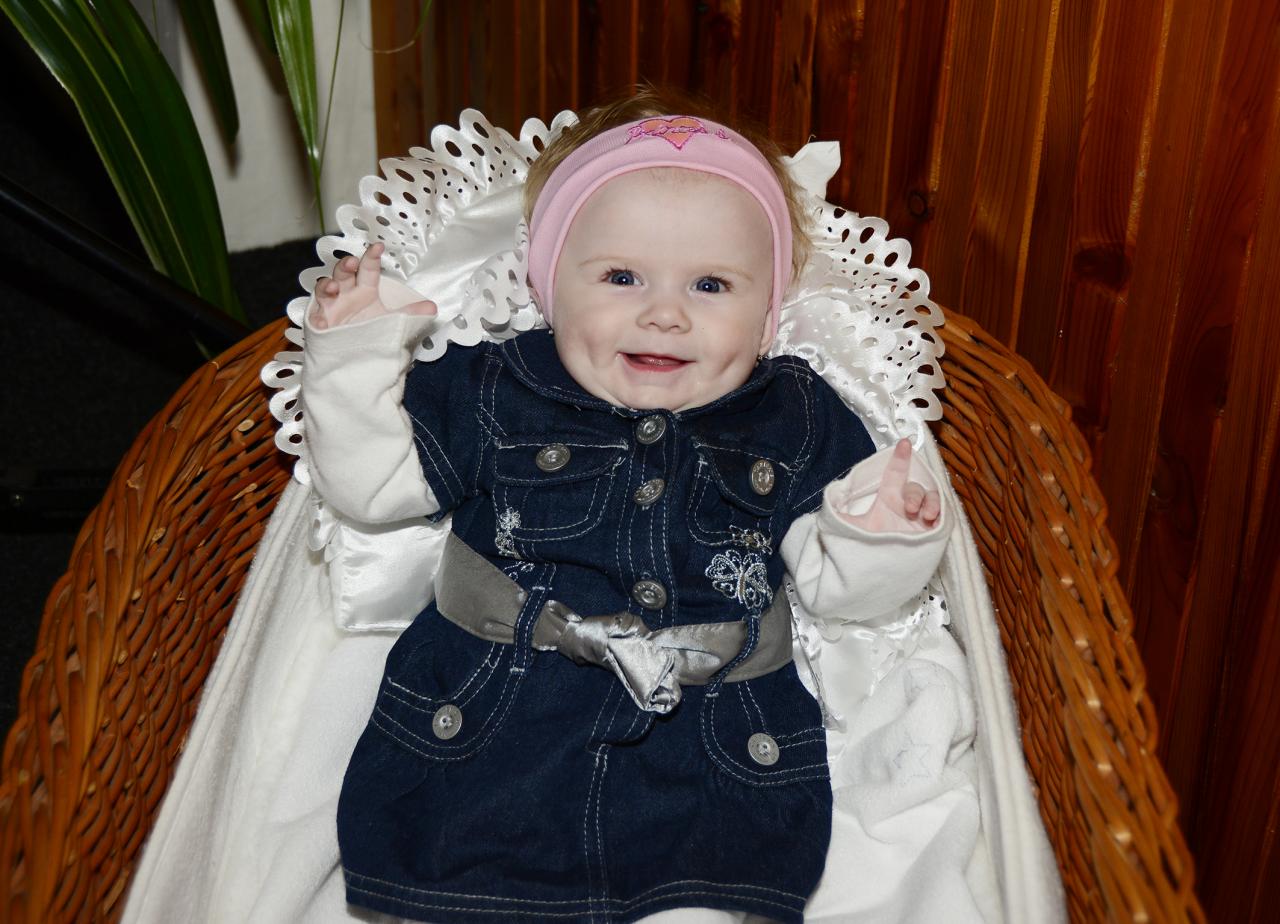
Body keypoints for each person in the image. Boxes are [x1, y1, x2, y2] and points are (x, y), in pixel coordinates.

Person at [300, 91, 951, 924]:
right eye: (620, 277)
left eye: (711, 284)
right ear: (549, 286)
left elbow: (839, 588)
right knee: (455, 895)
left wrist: (884, 532)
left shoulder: (795, 416)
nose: (665, 313)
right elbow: (373, 487)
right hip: (492, 722)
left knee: (696, 905)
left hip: (709, 745)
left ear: (767, 316)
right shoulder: (498, 384)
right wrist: (352, 355)